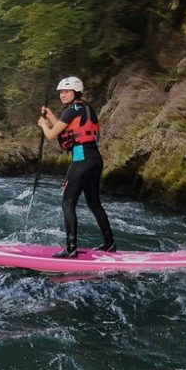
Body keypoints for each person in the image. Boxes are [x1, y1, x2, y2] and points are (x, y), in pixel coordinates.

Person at [37, 76, 115, 258]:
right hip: (95, 159)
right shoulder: (85, 108)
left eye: (66, 92)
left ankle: (71, 249)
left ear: (76, 92)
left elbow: (51, 135)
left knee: (67, 202)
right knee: (94, 204)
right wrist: (50, 115)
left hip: (81, 159)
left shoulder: (71, 110)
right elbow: (65, 127)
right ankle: (110, 244)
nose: (62, 95)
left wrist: (43, 124)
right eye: (61, 92)